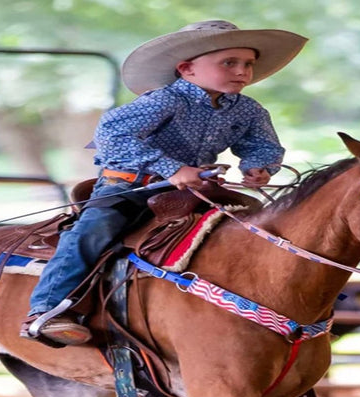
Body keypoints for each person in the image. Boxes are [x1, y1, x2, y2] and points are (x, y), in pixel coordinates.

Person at [22, 19, 308, 346]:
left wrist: (259, 166)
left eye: (248, 64)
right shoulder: (165, 100)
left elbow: (262, 144)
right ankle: (46, 308)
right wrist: (170, 167)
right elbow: (112, 134)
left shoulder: (247, 110)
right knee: (95, 229)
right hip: (130, 185)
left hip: (193, 190)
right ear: (187, 69)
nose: (242, 71)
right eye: (229, 62)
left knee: (256, 225)